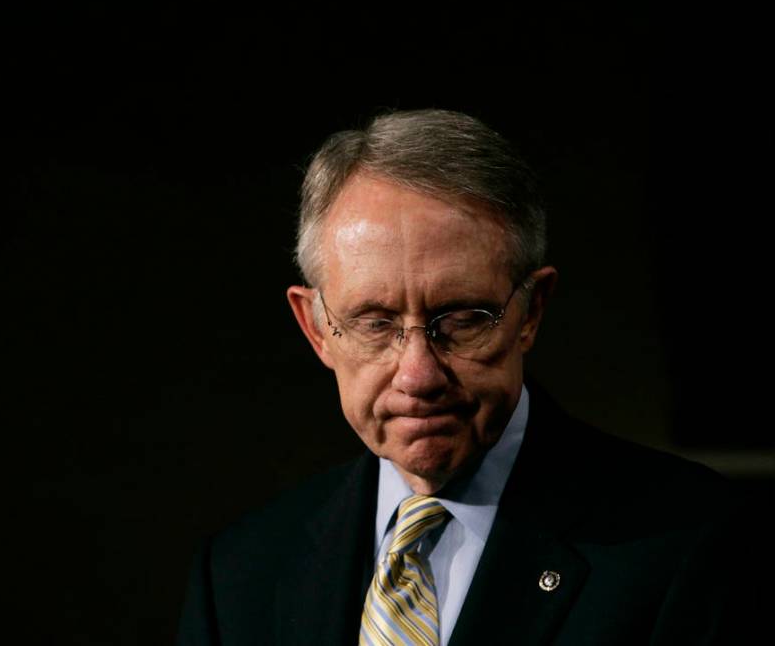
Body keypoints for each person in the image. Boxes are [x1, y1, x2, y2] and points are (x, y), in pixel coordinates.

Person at [176, 109, 761, 645]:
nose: (418, 374)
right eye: (375, 324)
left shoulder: (691, 546)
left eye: (460, 321)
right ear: (316, 327)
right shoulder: (240, 575)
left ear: (530, 311)